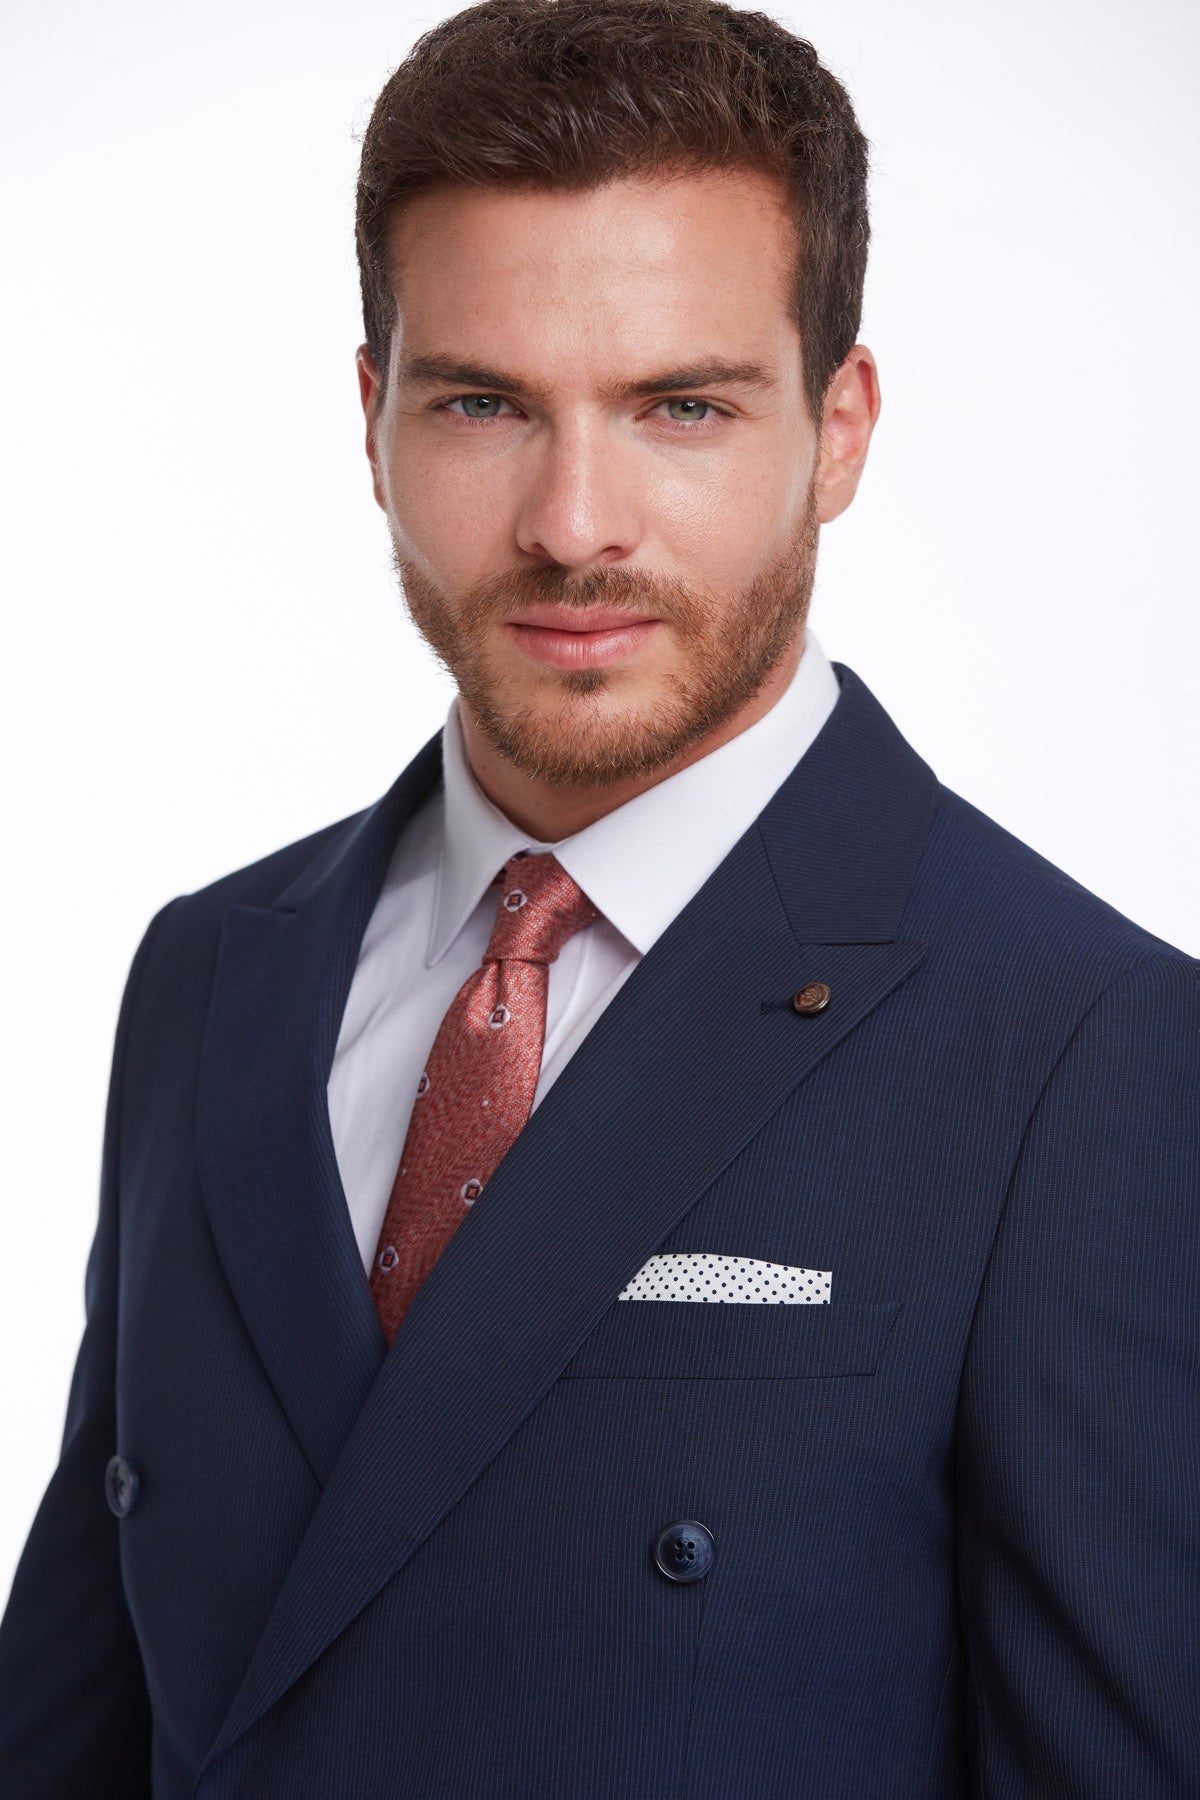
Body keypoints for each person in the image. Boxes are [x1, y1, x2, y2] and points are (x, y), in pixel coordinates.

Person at [1, 0, 1195, 1792]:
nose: (573, 523)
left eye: (681, 407)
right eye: (483, 403)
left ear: (841, 427)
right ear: (373, 419)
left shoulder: (1086, 1046)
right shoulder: (209, 971)